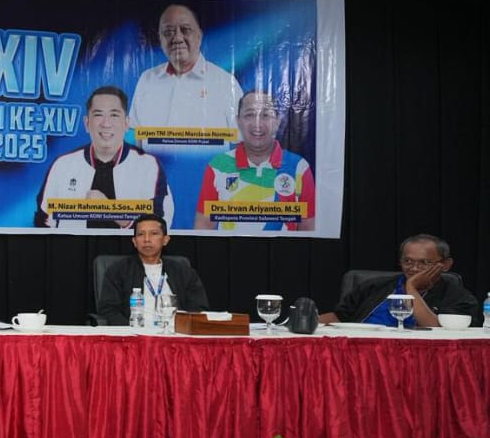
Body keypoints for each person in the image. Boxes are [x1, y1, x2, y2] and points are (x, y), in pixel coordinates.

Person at [37, 86, 173, 229]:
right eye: (98, 115)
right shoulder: (62, 165)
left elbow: (159, 223)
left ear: (126, 124)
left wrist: (108, 209)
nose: (106, 124)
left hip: (129, 244)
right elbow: (43, 221)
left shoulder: (148, 166)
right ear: (87, 123)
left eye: (114, 115)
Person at [194, 91, 316, 231]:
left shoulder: (299, 167)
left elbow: (308, 228)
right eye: (250, 115)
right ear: (238, 121)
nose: (257, 124)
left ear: (277, 122)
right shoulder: (217, 165)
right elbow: (203, 225)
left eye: (265, 115)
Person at [322, 234, 479, 328]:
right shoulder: (375, 286)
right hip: (362, 350)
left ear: (445, 264)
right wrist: (308, 320)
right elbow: (339, 317)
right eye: (408, 261)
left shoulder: (458, 297)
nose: (414, 268)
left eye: (424, 263)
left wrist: (411, 288)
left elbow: (437, 333)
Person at [129, 4, 243, 134]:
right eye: (168, 32)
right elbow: (134, 135)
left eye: (185, 30)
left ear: (199, 36)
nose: (177, 38)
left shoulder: (225, 83)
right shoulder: (147, 79)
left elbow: (241, 139)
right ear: (160, 39)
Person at [96, 213, 209, 326]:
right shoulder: (119, 270)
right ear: (134, 241)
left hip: (175, 332)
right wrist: (131, 330)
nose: (147, 239)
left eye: (153, 233)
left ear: (165, 240)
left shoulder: (183, 271)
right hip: (135, 332)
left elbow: (198, 307)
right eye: (141, 234)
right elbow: (109, 309)